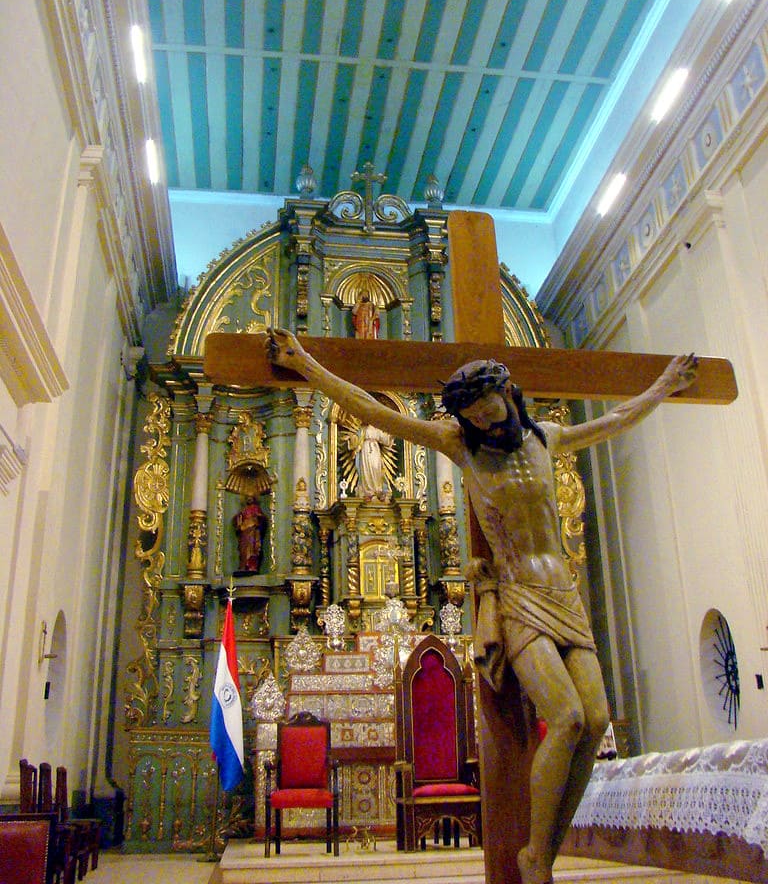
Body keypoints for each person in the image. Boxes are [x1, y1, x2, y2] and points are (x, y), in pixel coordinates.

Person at [264, 327, 697, 884]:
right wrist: (304, 363)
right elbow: (373, 411)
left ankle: (543, 852)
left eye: (493, 415)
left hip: (565, 595)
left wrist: (664, 384)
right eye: (476, 421)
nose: (489, 428)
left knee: (594, 722)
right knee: (566, 718)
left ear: (509, 396)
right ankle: (535, 856)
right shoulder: (461, 447)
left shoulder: (548, 439)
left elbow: (615, 419)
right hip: (518, 597)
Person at [355, 424, 394, 499]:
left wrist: (391, 435)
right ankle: (368, 491)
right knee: (366, 469)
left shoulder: (377, 428)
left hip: (375, 449)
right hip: (365, 450)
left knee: (376, 467)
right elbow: (356, 440)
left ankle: (377, 489)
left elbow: (385, 440)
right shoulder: (362, 429)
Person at [232, 494, 267, 572]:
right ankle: (243, 565)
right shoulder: (244, 510)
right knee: (243, 548)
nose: (249, 499)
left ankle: (252, 566)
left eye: (250, 498)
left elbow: (262, 519)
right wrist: (238, 518)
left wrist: (257, 518)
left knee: (252, 549)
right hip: (244, 532)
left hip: (253, 532)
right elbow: (238, 520)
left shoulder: (256, 508)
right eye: (247, 498)